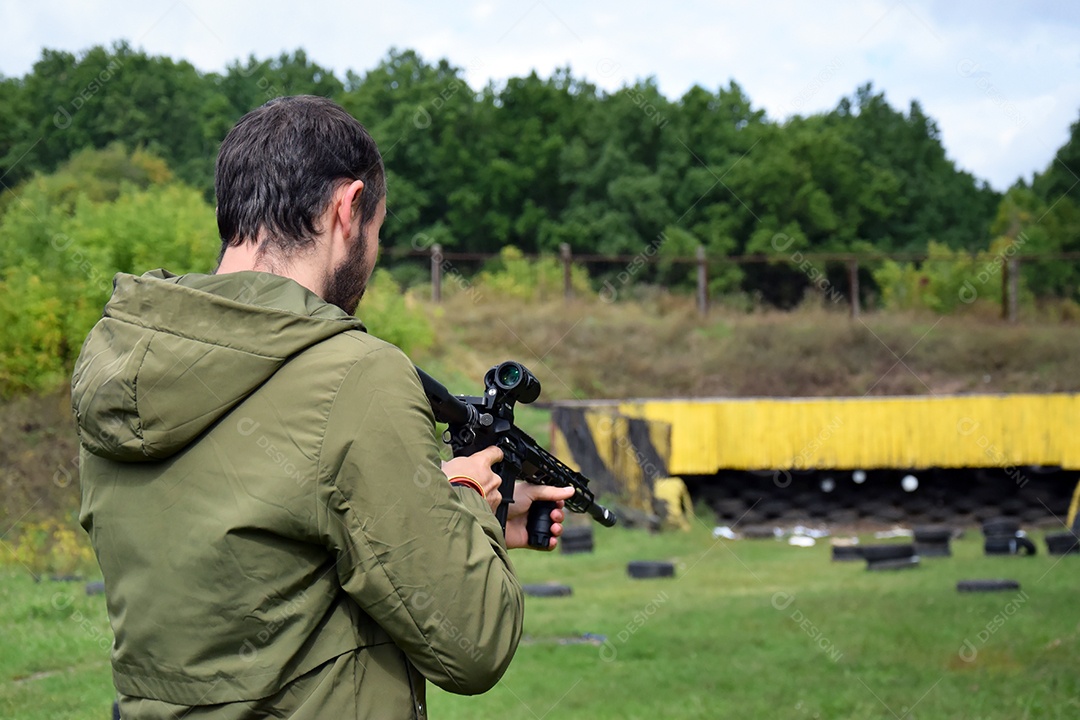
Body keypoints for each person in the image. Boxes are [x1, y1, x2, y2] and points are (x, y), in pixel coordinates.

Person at [72, 95, 575, 719]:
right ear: (349, 207)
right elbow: (473, 645)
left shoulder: (126, 361)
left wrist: (441, 515)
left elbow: (273, 573)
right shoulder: (355, 376)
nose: (372, 256)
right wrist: (469, 499)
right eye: (378, 232)